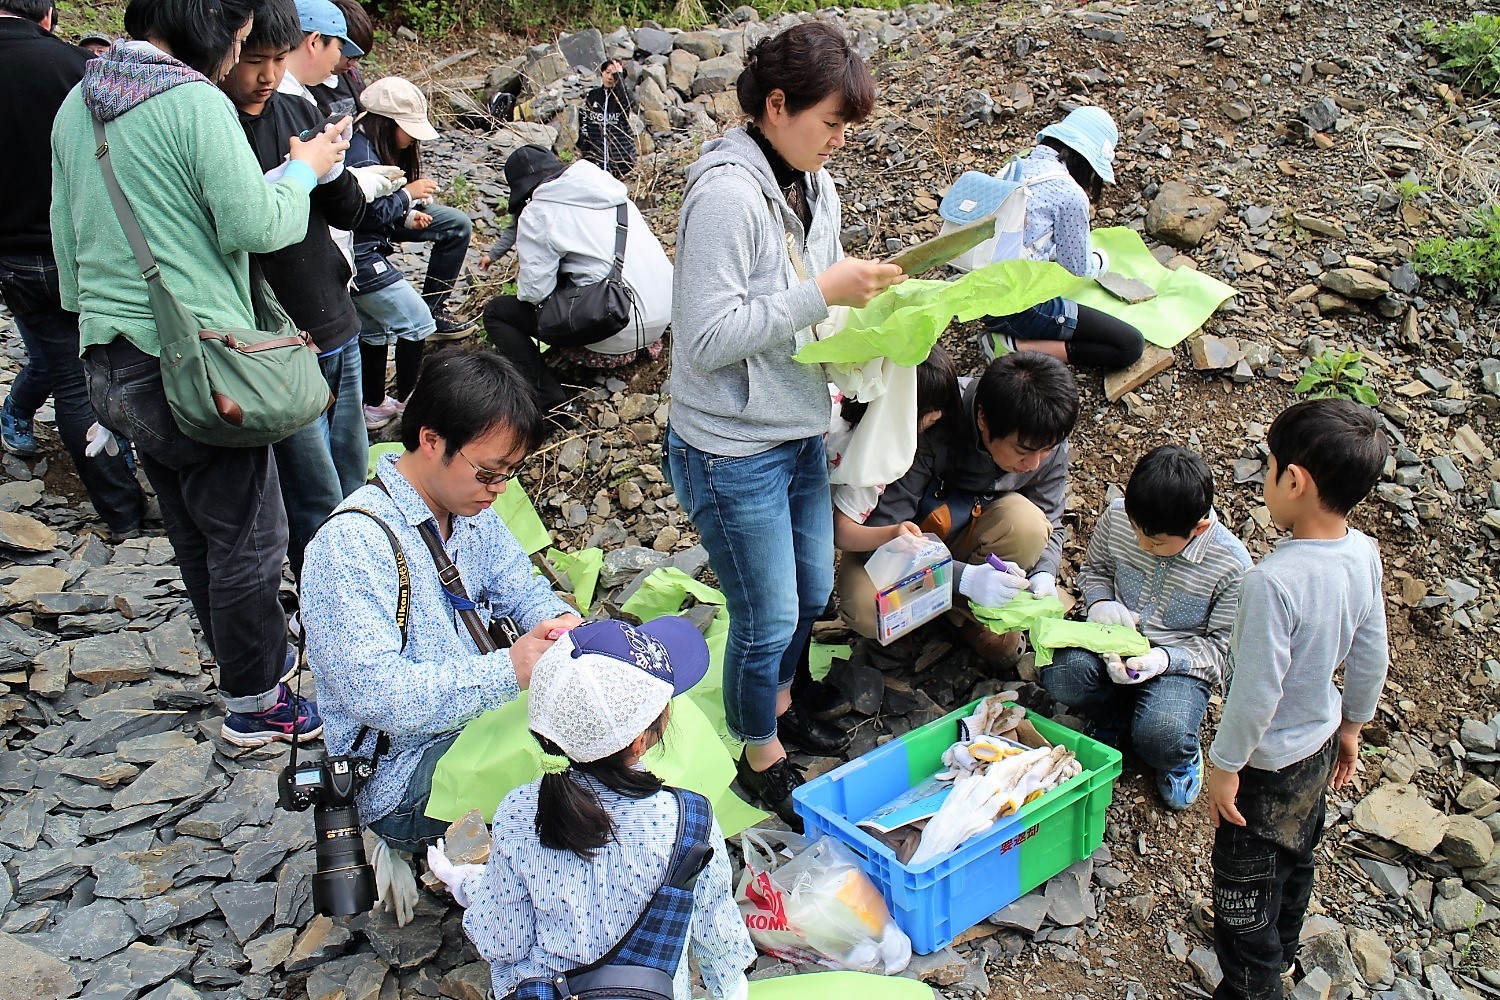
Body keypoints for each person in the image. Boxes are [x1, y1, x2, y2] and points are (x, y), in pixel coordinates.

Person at [52, 0, 347, 745]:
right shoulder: (190, 101)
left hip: (108, 358)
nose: (241, 53)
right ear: (212, 26)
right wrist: (303, 172)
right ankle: (257, 700)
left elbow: (65, 248)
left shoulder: (79, 102)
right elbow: (256, 224)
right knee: (250, 532)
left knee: (194, 527)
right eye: (243, 39)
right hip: (192, 362)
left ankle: (235, 664)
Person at [665, 20, 904, 827]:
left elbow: (814, 301)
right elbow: (702, 337)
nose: (839, 140)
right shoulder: (727, 195)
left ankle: (780, 703)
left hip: (796, 424)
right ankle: (756, 750)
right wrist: (824, 293)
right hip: (732, 447)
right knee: (765, 613)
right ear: (776, 105)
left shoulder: (813, 182)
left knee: (806, 593)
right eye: (832, 122)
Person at [301, 349, 581, 852]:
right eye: (489, 473)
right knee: (583, 772)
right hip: (401, 775)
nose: (498, 490)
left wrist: (558, 622)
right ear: (431, 440)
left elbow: (519, 584)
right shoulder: (350, 547)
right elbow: (380, 696)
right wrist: (508, 670)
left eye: (509, 474)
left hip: (479, 723)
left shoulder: (468, 508)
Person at [432, 618, 754, 1000]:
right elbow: (716, 933)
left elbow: (504, 942)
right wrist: (730, 988)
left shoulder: (518, 811)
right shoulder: (690, 821)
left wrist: (466, 883)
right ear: (639, 742)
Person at [1205, 399, 1390, 1000]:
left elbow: (1256, 695)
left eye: (1269, 466)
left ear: (1294, 480)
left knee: (1241, 894)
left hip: (1265, 766)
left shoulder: (1271, 583)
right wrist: (1354, 725)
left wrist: (1225, 765)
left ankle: (1255, 985)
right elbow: (1371, 650)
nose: (1265, 478)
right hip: (1317, 746)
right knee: (1297, 857)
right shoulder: (1361, 553)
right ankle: (1282, 953)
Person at [222, 0, 384, 576]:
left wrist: (332, 163)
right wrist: (297, 173)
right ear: (225, 53)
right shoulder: (212, 125)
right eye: (254, 60)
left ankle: (371, 577)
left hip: (334, 313)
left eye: (275, 59)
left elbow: (347, 210)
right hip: (281, 342)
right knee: (313, 490)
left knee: (352, 471)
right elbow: (241, 227)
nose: (266, 76)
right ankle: (328, 596)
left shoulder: (295, 106)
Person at [0, 0, 146, 540]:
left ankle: (120, 511)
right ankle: (142, 486)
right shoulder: (70, 69)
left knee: (65, 373)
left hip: (10, 258)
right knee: (114, 362)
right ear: (47, 15)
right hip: (79, 246)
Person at [1040, 445, 1251, 811]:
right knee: (1061, 676)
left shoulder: (1231, 566)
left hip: (1177, 666)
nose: (1141, 544)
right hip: (1111, 644)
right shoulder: (1120, 517)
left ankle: (1178, 754)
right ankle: (1114, 719)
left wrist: (1164, 660)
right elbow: (1096, 571)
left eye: (1154, 542)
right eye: (1137, 532)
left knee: (1162, 735)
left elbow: (1222, 651)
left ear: (1198, 528)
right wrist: (1102, 602)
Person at [835, 352, 1078, 665]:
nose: (1033, 464)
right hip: (902, 540)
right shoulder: (932, 419)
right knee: (866, 609)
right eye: (1023, 452)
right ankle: (946, 608)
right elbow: (880, 540)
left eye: (1047, 451)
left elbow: (1051, 519)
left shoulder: (1046, 436)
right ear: (983, 420)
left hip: (972, 542)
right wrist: (965, 580)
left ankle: (960, 613)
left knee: (1029, 524)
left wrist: (1044, 573)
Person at [478, 144, 672, 414]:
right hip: (661, 318)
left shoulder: (539, 212)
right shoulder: (616, 195)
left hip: (615, 327)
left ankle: (553, 401)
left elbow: (534, 294)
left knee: (497, 313)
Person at [350, 76, 476, 429]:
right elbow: (362, 211)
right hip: (358, 257)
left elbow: (376, 211)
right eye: (409, 130)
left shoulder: (365, 145)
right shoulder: (361, 155)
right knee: (418, 321)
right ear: (387, 123)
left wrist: (406, 213)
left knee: (374, 330)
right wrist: (407, 195)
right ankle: (409, 401)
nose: (412, 140)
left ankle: (374, 405)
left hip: (359, 252)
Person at [980, 107, 1144, 371]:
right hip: (1017, 306)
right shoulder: (1069, 193)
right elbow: (1078, 268)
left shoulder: (1015, 166)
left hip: (979, 294)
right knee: (1129, 344)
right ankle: (1010, 346)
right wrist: (1101, 260)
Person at [827, 344, 963, 640]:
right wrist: (893, 533)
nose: (938, 416)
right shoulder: (875, 456)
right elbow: (842, 530)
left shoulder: (832, 394)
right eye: (930, 410)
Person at [577, 58, 638, 178]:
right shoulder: (593, 95)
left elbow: (628, 103)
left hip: (621, 158)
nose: (610, 77)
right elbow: (585, 121)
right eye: (607, 72)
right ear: (602, 73)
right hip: (596, 157)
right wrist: (585, 148)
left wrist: (619, 78)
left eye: (614, 74)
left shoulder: (624, 96)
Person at [308, 0, 369, 112]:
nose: (353, 64)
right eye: (350, 56)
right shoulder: (303, 89)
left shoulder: (351, 76)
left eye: (358, 58)